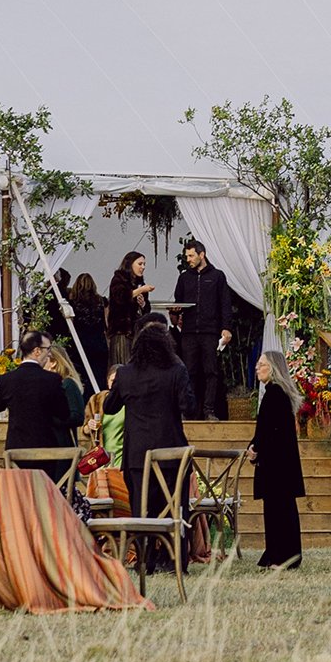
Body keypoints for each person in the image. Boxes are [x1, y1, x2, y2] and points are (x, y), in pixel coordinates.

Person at [110, 320, 191, 557]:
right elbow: (188, 405)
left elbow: (110, 406)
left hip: (137, 453)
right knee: (175, 507)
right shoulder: (177, 370)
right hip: (171, 452)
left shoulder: (124, 374)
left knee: (140, 508)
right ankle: (175, 557)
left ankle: (144, 558)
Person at [251, 351, 306, 569]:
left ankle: (282, 556)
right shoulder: (275, 393)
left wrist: (256, 450)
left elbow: (270, 433)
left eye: (262, 364)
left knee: (279, 511)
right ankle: (280, 554)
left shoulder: (275, 394)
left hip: (277, 465)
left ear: (272, 368)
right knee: (280, 510)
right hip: (279, 463)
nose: (257, 367)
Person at [172, 239, 233, 422]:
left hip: (210, 331)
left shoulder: (217, 276)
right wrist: (174, 313)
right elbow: (178, 303)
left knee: (211, 372)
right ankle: (188, 411)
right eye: (186, 256)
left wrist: (226, 328)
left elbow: (225, 304)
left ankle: (209, 410)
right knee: (188, 371)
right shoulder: (184, 277)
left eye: (191, 255)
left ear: (201, 254)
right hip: (189, 331)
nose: (188, 259)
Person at [0, 331, 77, 456]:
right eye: (47, 349)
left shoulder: (7, 379)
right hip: (46, 449)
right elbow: (63, 414)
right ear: (37, 351)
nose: (49, 354)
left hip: (16, 449)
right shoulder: (52, 379)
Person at [107, 252, 152, 370]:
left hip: (136, 331)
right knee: (122, 364)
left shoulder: (140, 282)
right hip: (121, 331)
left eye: (144, 264)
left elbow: (147, 310)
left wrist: (143, 304)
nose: (143, 267)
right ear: (130, 264)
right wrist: (139, 290)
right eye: (140, 264)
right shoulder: (118, 279)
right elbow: (120, 297)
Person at [67, 271, 109, 389]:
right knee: (99, 376)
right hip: (98, 343)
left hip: (79, 343)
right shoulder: (101, 301)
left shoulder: (72, 303)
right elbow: (106, 323)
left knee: (81, 376)